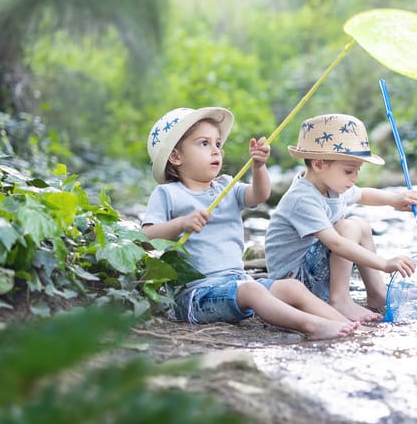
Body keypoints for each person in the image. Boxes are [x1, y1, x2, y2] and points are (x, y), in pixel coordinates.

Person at [141, 107, 359, 340]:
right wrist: (181, 224)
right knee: (252, 290)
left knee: (291, 287)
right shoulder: (168, 194)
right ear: (175, 157)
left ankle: (344, 323)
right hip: (197, 295)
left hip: (236, 283)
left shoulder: (226, 186)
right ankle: (312, 326)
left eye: (218, 144)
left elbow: (259, 195)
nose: (216, 151)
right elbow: (147, 237)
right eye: (204, 143)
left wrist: (258, 166)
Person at [264, 113, 417, 323]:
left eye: (357, 171)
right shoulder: (302, 198)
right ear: (319, 165)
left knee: (360, 224)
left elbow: (362, 194)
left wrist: (393, 200)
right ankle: (340, 300)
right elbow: (335, 243)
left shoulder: (331, 185)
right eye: (349, 171)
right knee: (347, 227)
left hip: (313, 272)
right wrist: (384, 263)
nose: (354, 178)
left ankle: (377, 291)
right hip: (295, 283)